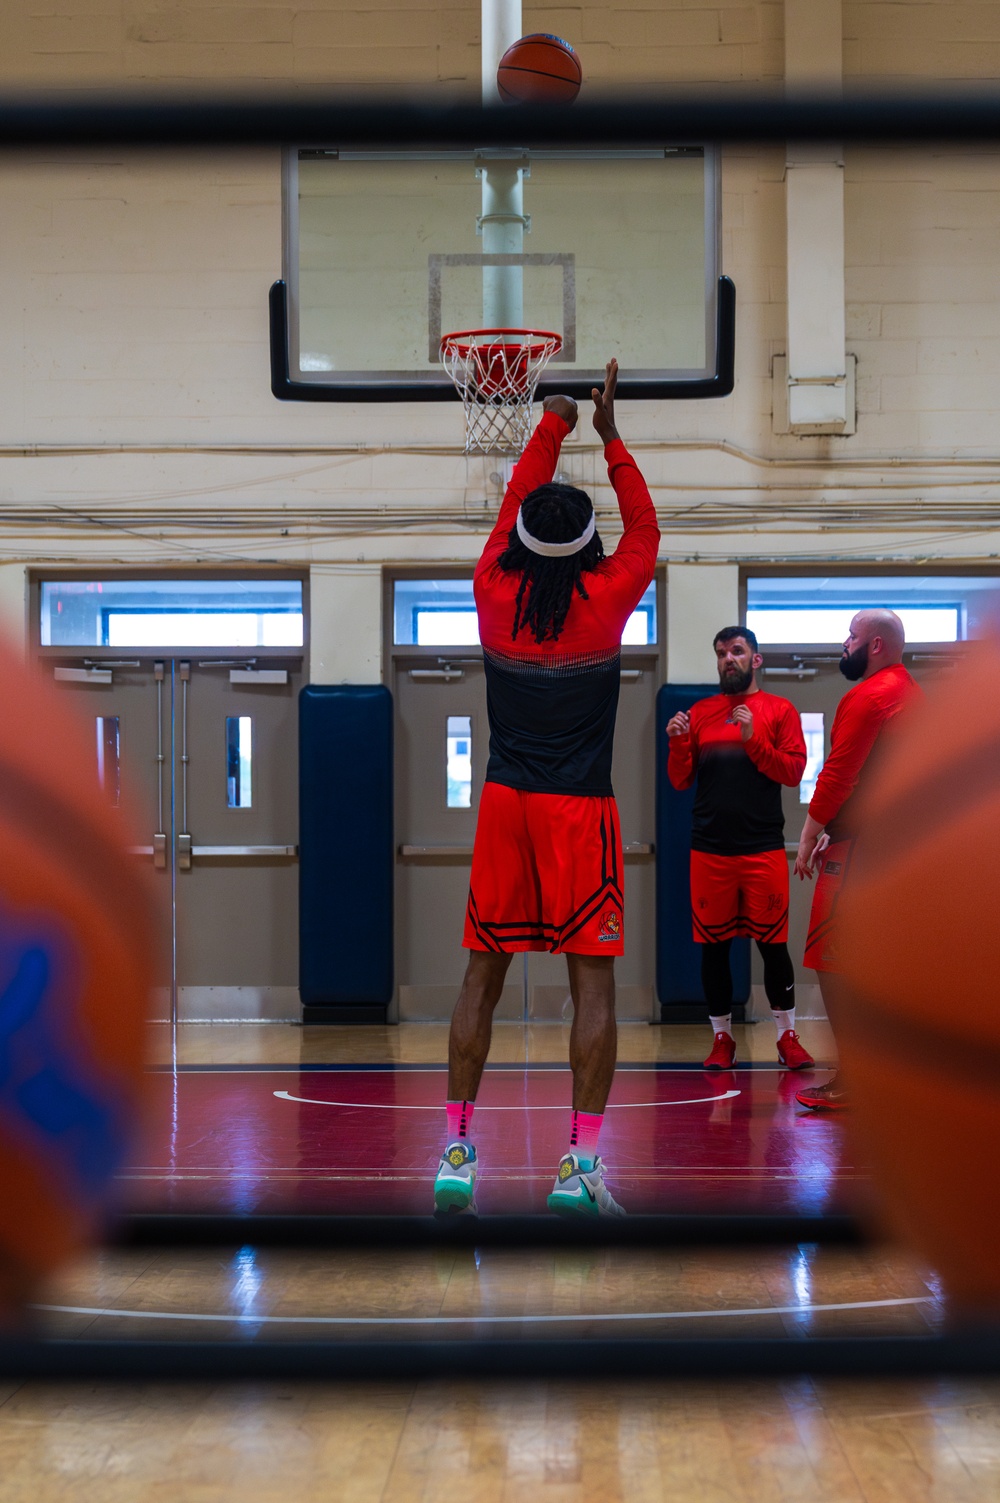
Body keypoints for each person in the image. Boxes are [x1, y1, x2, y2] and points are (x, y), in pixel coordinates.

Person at [433, 360, 660, 1218]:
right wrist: (611, 436)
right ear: (583, 548)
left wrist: (553, 422)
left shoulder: (493, 589)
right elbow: (644, 526)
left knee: (478, 981)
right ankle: (580, 1164)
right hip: (579, 813)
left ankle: (457, 1152)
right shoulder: (606, 598)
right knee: (592, 989)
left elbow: (513, 501)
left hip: (504, 808)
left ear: (523, 539)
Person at [666, 627, 813, 1070]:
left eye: (736, 651)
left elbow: (792, 771)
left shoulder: (780, 710)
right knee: (714, 947)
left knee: (773, 945)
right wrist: (676, 742)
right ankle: (722, 1040)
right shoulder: (702, 712)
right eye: (720, 653)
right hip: (710, 850)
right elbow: (680, 779)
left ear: (756, 659)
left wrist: (753, 739)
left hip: (762, 847)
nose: (727, 659)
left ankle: (787, 1037)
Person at [793, 609, 922, 1110]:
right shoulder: (910, 691)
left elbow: (838, 773)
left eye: (850, 636)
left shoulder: (870, 694)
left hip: (866, 851)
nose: (842, 644)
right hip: (889, 845)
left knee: (831, 959)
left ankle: (857, 1077)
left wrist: (808, 835)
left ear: (874, 645)